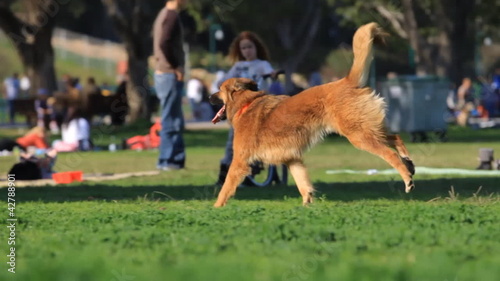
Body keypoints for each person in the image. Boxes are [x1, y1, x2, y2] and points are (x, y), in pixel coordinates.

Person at [216, 31, 278, 185]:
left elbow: (270, 73)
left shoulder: (262, 65)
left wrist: (272, 74)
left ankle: (252, 171)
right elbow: (227, 80)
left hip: (257, 108)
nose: (247, 51)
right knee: (233, 141)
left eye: (249, 47)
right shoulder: (238, 67)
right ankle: (225, 173)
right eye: (243, 48)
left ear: (256, 47)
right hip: (240, 110)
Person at [152, 0, 188, 171]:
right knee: (170, 119)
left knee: (176, 118)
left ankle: (176, 159)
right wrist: (176, 66)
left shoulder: (164, 14)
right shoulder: (171, 15)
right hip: (168, 73)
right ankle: (167, 160)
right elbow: (164, 42)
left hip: (165, 73)